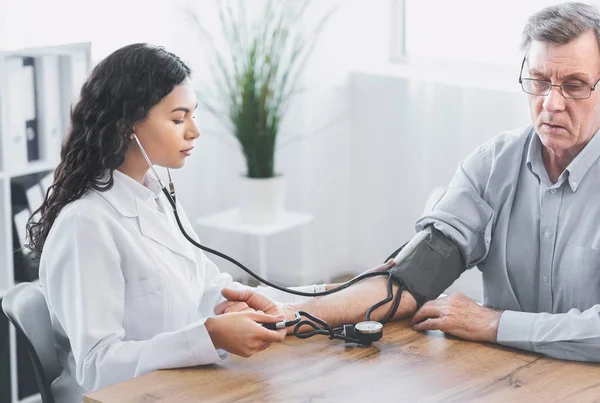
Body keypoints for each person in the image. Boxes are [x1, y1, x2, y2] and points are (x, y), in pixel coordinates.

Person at [219, 2, 600, 363]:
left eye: (574, 85)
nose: (551, 103)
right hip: (500, 376)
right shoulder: (493, 164)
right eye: (538, 81)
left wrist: (495, 324)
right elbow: (409, 280)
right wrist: (289, 311)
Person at [27, 43, 359, 403]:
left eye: (193, 115)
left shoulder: (156, 196)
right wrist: (210, 336)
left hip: (176, 388)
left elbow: (204, 284)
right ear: (127, 126)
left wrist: (237, 304)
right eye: (177, 118)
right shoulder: (86, 225)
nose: (194, 131)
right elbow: (96, 367)